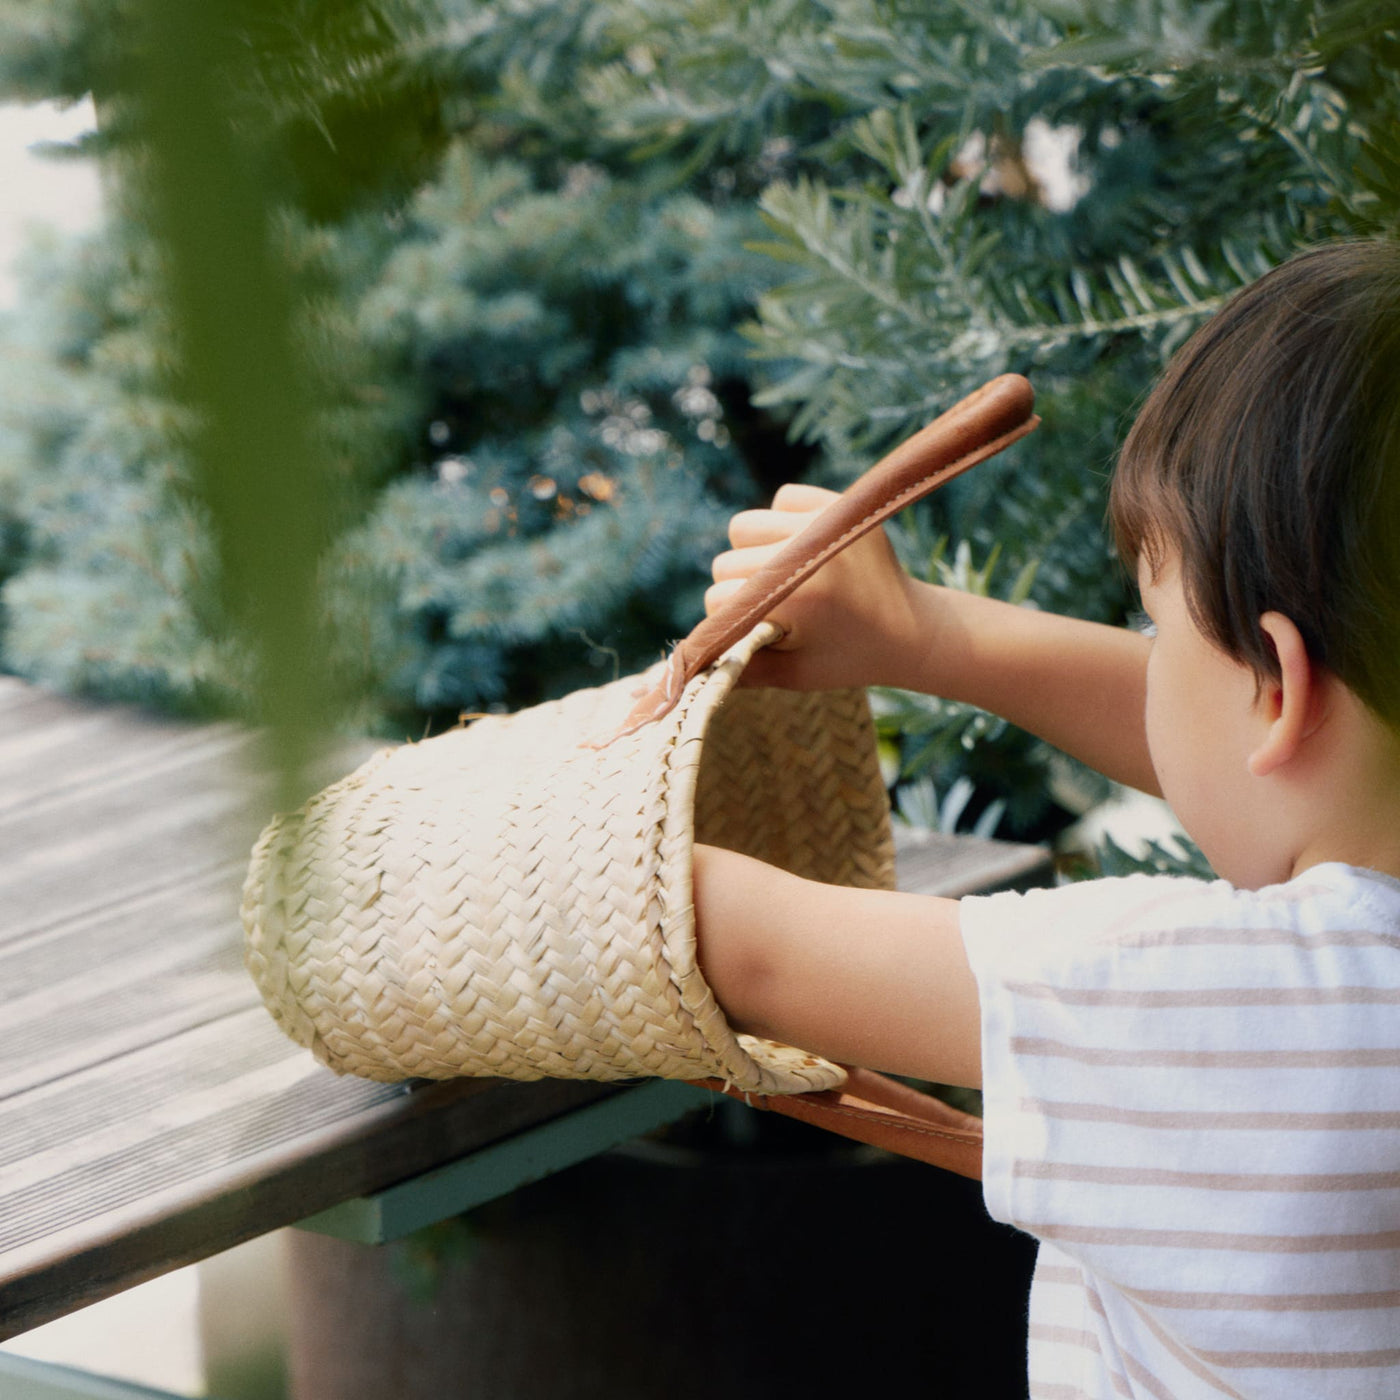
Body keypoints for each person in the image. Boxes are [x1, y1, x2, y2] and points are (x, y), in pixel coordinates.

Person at [690, 239, 1400, 1398]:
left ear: (1276, 679)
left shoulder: (1245, 1008)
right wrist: (920, 634)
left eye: (1158, 626)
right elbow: (1269, 746)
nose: (1149, 661)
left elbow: (745, 939)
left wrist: (527, 802)